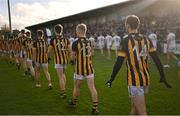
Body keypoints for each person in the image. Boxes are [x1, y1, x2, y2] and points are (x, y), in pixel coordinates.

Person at [106, 15, 171, 115]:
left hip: (134, 81)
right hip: (145, 79)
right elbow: (157, 59)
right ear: (138, 25)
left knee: (142, 112)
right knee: (135, 109)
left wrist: (111, 78)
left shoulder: (126, 40)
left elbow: (119, 62)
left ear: (127, 25)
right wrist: (162, 75)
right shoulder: (147, 40)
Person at [69, 24, 99, 115]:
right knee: (92, 88)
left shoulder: (75, 42)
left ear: (78, 31)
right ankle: (95, 108)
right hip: (89, 68)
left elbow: (72, 57)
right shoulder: (90, 41)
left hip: (79, 69)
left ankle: (74, 103)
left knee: (77, 87)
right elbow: (92, 54)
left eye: (76, 30)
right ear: (85, 31)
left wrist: (72, 61)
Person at [47, 24, 70, 98]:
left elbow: (49, 51)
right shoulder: (66, 39)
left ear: (55, 30)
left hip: (58, 60)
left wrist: (47, 57)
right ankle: (64, 89)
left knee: (60, 76)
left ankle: (63, 92)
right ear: (62, 30)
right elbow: (70, 50)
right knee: (63, 75)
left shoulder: (53, 39)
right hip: (65, 60)